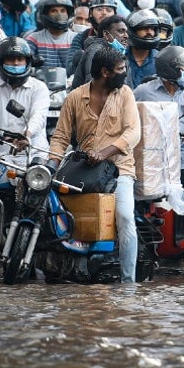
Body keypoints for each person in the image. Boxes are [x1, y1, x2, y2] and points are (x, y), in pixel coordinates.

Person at [50, 44, 141, 284]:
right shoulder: (74, 97)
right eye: (121, 69)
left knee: (124, 217)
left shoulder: (125, 94)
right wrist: (51, 165)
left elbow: (133, 132)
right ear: (105, 72)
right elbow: (60, 137)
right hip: (84, 170)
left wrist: (104, 153)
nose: (125, 72)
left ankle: (128, 281)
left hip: (120, 168)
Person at [134, 45, 184, 273]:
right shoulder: (143, 91)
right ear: (171, 70)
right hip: (151, 159)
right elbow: (130, 115)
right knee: (136, 202)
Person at [25, 0, 78, 71]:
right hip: (42, 81)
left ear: (68, 14)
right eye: (54, 11)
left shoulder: (77, 39)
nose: (59, 14)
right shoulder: (33, 39)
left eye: (63, 11)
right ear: (46, 14)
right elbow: (26, 63)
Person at [123, 9, 161, 88]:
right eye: (144, 28)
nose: (149, 32)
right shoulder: (120, 56)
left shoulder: (161, 59)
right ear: (133, 31)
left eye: (152, 28)